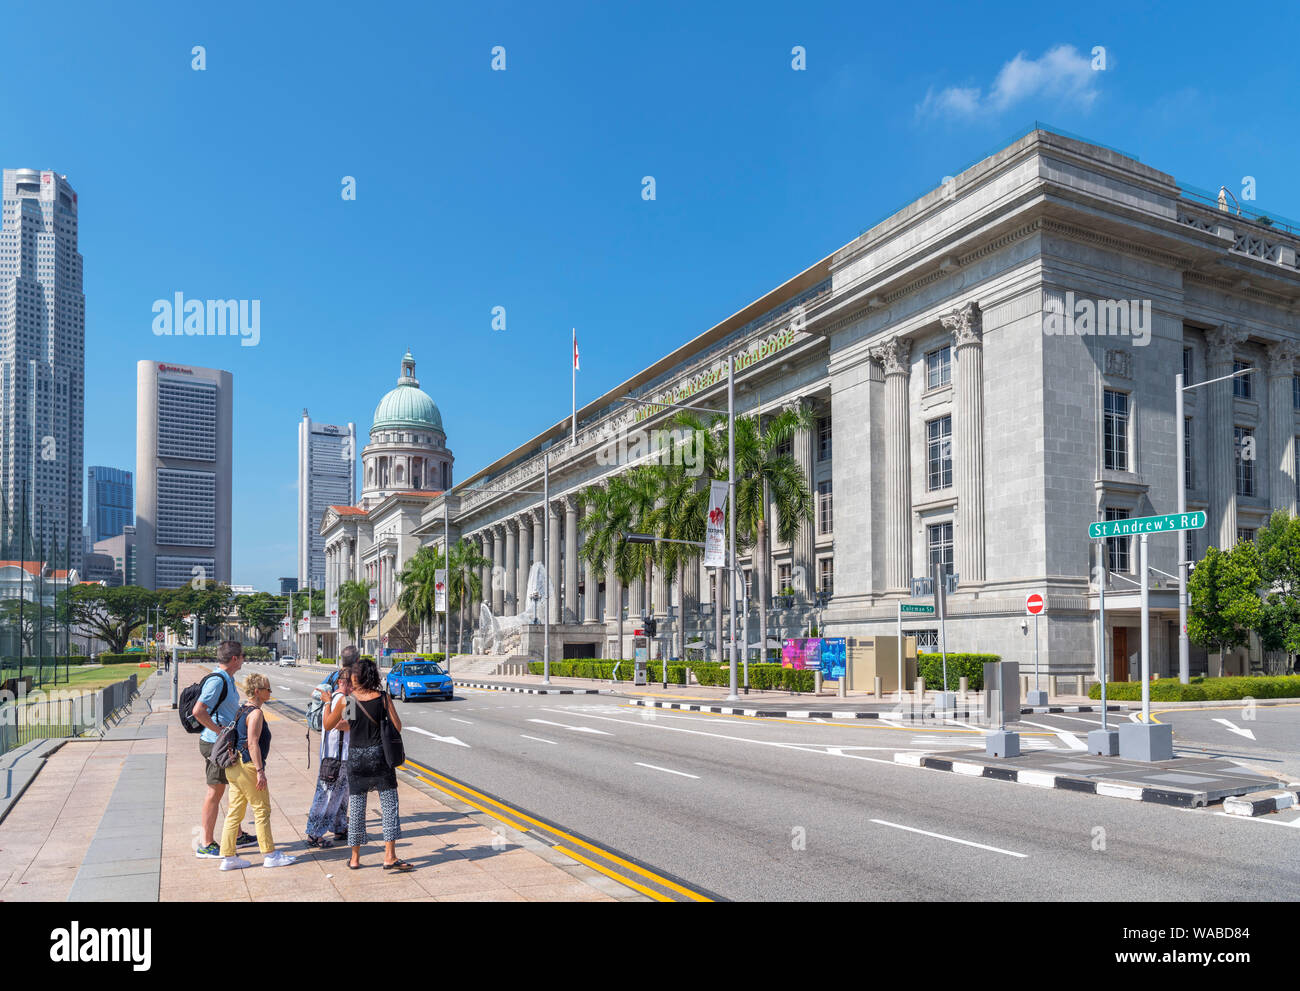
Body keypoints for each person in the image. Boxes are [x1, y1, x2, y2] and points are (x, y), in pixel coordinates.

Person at [330, 655, 411, 871]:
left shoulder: (351, 699)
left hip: (356, 757)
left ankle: (355, 858)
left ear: (358, 677)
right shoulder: (383, 698)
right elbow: (397, 726)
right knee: (389, 805)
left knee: (357, 807)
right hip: (379, 757)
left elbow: (343, 724)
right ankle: (389, 856)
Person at [217, 671, 295, 870]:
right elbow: (252, 744)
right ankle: (269, 854)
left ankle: (228, 857)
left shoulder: (242, 709)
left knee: (234, 812)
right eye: (268, 689)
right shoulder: (256, 713)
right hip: (248, 767)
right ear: (258, 691)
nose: (270, 692)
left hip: (234, 767)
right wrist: (260, 770)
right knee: (261, 810)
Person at [191, 641, 256, 858]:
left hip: (222, 743)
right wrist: (219, 731)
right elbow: (199, 711)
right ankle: (206, 843)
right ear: (235, 658)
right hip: (215, 745)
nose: (244, 659)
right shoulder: (218, 681)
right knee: (215, 792)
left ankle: (236, 834)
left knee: (232, 787)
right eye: (243, 656)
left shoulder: (226, 679)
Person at [305, 647, 358, 847]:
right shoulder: (346, 700)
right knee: (326, 796)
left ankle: (339, 827)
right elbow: (344, 724)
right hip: (338, 757)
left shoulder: (332, 698)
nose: (355, 686)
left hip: (331, 754)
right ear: (343, 682)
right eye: (353, 682)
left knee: (339, 795)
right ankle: (314, 834)